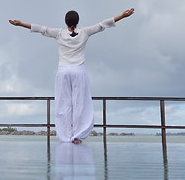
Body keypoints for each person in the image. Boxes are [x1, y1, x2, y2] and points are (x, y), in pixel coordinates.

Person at [8, 8, 134, 144]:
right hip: (78, 71)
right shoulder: (84, 32)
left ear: (65, 22)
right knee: (80, 103)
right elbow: (102, 24)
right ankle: (77, 135)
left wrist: (20, 23)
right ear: (77, 22)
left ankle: (65, 136)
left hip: (63, 71)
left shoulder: (59, 33)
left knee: (63, 104)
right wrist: (122, 15)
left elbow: (41, 29)